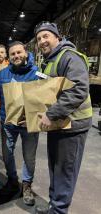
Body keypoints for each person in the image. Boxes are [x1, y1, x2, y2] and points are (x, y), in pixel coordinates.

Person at [35, 22, 92, 214]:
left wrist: (51, 114)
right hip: (59, 124)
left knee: (65, 172)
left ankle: (59, 211)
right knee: (55, 169)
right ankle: (54, 207)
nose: (42, 41)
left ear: (57, 37)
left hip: (74, 125)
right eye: (39, 38)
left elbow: (79, 89)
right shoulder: (49, 60)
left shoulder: (70, 57)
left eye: (46, 36)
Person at [0, 41, 39, 206]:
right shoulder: (3, 74)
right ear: (9, 57)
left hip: (29, 124)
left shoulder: (36, 73)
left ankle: (27, 185)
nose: (16, 56)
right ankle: (12, 181)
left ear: (25, 52)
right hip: (8, 122)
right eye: (13, 54)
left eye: (19, 52)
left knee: (29, 156)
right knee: (7, 153)